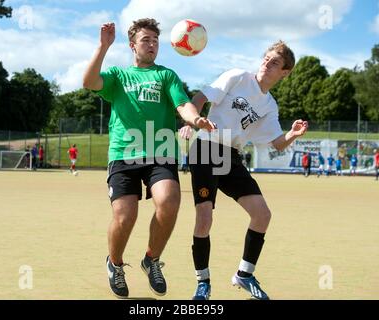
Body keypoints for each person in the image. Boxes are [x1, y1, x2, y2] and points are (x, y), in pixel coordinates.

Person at [82, 19, 215, 298]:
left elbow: (182, 104)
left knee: (169, 201)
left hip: (160, 152)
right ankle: (115, 264)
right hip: (123, 153)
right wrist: (103, 47)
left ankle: (151, 260)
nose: (152, 44)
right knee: (125, 216)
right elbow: (89, 82)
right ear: (132, 45)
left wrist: (195, 118)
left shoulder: (166, 75)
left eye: (155, 39)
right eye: (146, 39)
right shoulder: (118, 75)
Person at [179, 40, 308, 300]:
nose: (267, 63)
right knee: (205, 217)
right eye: (266, 58)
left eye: (275, 63)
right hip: (206, 148)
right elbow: (201, 97)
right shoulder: (238, 76)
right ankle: (202, 282)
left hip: (231, 157)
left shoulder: (270, 106)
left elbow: (277, 143)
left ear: (284, 72)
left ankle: (244, 274)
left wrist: (293, 134)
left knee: (262, 214)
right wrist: (193, 121)